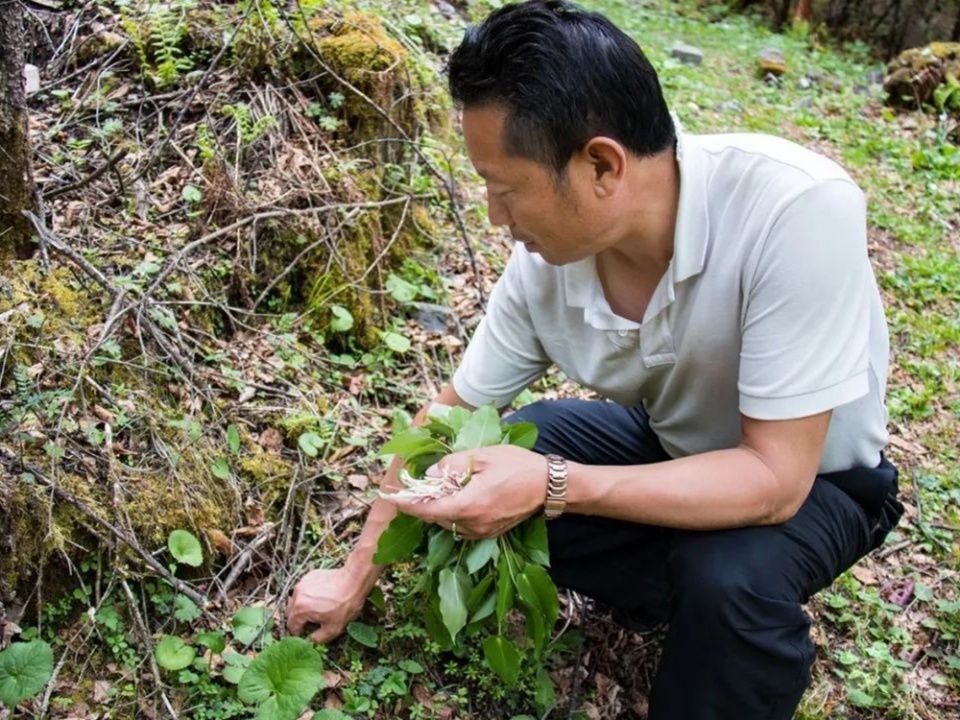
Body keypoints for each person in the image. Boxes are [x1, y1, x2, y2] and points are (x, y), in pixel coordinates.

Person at [286, 1, 904, 717]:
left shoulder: (794, 209)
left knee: (729, 578)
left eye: (506, 188)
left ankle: (726, 629)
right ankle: (675, 586)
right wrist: (353, 573)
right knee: (525, 438)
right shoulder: (546, 267)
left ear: (601, 165)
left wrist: (553, 485)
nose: (494, 216)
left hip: (819, 483)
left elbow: (775, 480)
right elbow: (448, 417)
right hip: (672, 444)